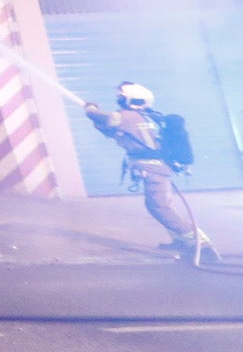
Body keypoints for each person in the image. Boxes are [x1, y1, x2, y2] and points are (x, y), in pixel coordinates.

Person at [83, 81, 215, 264]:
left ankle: (203, 245)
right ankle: (181, 241)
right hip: (156, 167)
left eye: (120, 97)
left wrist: (91, 111)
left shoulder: (127, 116)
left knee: (161, 208)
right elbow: (114, 131)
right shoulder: (145, 117)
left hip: (152, 168)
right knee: (159, 206)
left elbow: (110, 120)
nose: (118, 100)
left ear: (128, 100)